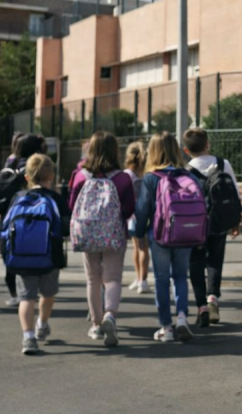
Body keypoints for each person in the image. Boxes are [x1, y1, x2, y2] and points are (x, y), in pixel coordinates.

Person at [68, 131, 134, 347]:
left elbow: (71, 205)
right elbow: (128, 209)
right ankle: (110, 316)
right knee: (112, 277)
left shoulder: (80, 176)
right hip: (114, 234)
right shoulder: (123, 178)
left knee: (92, 278)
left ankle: (96, 325)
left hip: (88, 233)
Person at [133, 132, 197, 343]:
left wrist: (139, 233)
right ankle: (182, 318)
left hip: (160, 236)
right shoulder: (189, 176)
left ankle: (166, 328)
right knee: (180, 276)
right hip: (185, 233)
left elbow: (142, 209)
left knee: (161, 280)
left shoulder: (151, 178)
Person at [10, 154, 69, 355]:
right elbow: (66, 227)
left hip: (22, 256)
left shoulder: (18, 198)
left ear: (27, 177)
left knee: (26, 298)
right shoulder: (56, 199)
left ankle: (28, 337)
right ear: (51, 176)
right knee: (48, 294)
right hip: (50, 257)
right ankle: (42, 324)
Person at [183, 127, 240, 326]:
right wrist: (235, 222)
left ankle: (202, 307)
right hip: (219, 222)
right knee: (215, 261)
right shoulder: (224, 164)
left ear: (186, 150)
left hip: (196, 225)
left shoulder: (186, 170)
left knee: (196, 264)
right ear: (208, 144)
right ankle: (213, 298)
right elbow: (235, 194)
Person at [0, 134, 47, 307]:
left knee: (11, 255)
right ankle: (30, 293)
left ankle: (14, 293)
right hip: (29, 220)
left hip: (7, 219)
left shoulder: (8, 167)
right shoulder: (32, 170)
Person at [123, 141, 151, 295]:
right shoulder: (147, 173)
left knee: (138, 246)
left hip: (132, 215)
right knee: (142, 247)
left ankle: (141, 279)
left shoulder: (127, 174)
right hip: (145, 214)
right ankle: (141, 278)